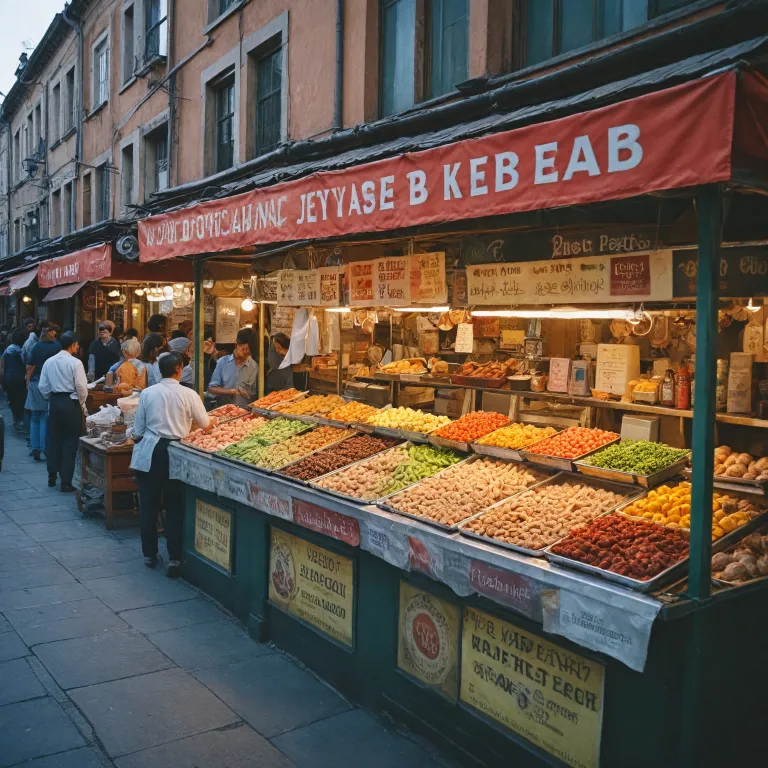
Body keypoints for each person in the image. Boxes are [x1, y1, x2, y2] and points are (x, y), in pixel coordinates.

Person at [130, 352, 215, 577]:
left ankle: (149, 554)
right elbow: (206, 424)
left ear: (160, 370)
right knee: (174, 505)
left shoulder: (148, 393)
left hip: (150, 452)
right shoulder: (189, 394)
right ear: (178, 369)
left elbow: (138, 431)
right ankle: (175, 558)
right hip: (176, 452)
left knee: (148, 504)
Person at [38, 331, 88, 492]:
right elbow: (81, 387)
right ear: (73, 345)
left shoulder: (49, 362)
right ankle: (65, 481)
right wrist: (81, 402)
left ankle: (52, 474)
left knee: (53, 439)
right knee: (70, 442)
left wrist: (50, 397)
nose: (78, 347)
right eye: (77, 344)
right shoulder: (75, 363)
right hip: (70, 402)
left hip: (55, 401)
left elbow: (42, 386)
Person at [25, 322, 61, 461]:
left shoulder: (36, 346)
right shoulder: (57, 347)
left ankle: (35, 447)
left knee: (35, 416)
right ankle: (43, 447)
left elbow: (30, 366)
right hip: (49, 383)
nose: (54, 334)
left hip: (35, 381)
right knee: (44, 416)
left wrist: (27, 381)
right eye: (53, 331)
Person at [208, 329, 259, 406]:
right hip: (223, 408)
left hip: (244, 410)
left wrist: (246, 394)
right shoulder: (222, 362)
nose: (246, 353)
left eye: (249, 351)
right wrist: (229, 391)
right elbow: (212, 388)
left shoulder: (254, 366)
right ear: (237, 344)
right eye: (244, 349)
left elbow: (253, 394)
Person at [1, 329, 29, 430]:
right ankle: (20, 421)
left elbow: (2, 367)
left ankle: (16, 421)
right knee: (21, 401)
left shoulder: (7, 351)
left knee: (12, 400)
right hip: (20, 379)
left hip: (9, 379)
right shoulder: (22, 352)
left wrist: (2, 380)